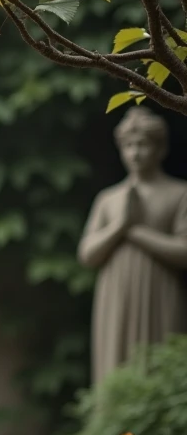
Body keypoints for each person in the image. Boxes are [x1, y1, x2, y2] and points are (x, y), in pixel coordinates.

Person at [77, 105, 187, 384]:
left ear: (160, 149)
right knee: (113, 364)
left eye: (142, 145)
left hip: (160, 289)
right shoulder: (108, 199)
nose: (135, 153)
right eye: (128, 146)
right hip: (115, 293)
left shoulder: (179, 193)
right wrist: (119, 227)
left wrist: (135, 230)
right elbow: (87, 254)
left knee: (160, 363)